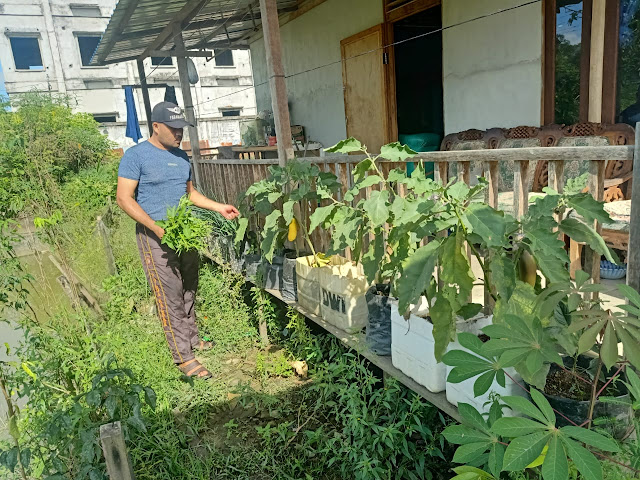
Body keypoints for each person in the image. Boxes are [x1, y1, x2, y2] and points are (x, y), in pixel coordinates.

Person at [116, 102, 239, 379]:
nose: (178, 134)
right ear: (156, 126)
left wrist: (219, 206)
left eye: (181, 129)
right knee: (169, 293)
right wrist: (155, 227)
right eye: (173, 128)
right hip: (154, 237)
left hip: (185, 234)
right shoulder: (135, 156)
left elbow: (190, 195)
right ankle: (184, 357)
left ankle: (193, 341)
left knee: (188, 288)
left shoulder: (181, 158)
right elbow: (124, 198)